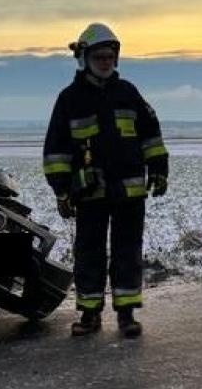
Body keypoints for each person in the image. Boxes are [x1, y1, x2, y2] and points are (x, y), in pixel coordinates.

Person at [43, 23, 169, 338]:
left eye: (109, 57)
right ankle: (89, 315)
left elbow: (151, 133)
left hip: (129, 190)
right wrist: (62, 190)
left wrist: (159, 168)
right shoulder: (69, 99)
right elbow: (56, 149)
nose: (105, 62)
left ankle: (127, 315)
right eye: (99, 57)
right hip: (89, 193)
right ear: (84, 59)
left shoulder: (128, 93)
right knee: (89, 252)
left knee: (128, 251)